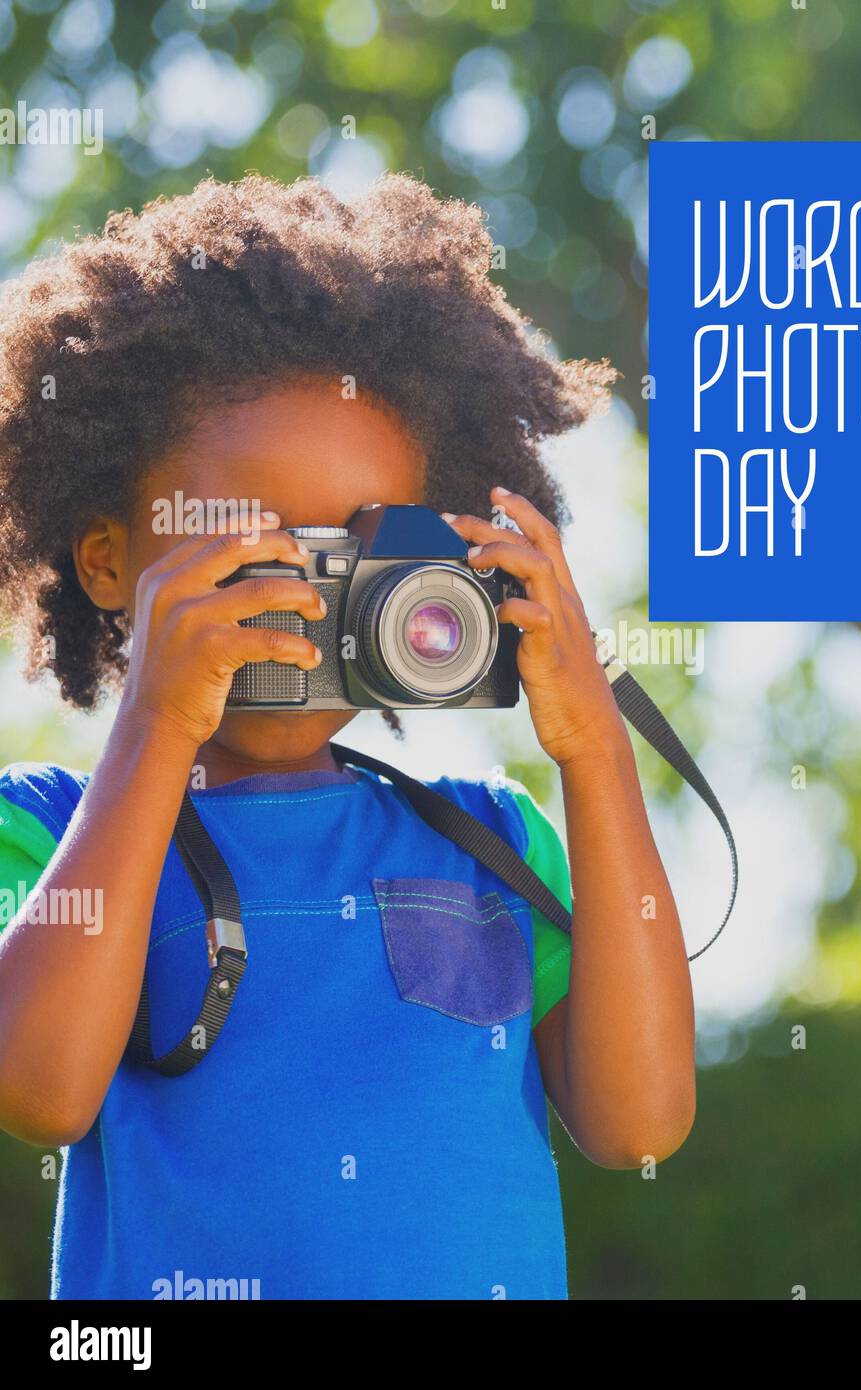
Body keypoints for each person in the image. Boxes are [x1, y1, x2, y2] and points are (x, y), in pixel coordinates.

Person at [0, 173, 695, 1299]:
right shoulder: (47, 833)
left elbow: (640, 1123)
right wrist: (156, 727)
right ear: (108, 560)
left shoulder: (492, 843)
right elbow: (39, 1089)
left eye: (361, 553)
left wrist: (594, 754)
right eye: (255, 545)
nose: (309, 598)